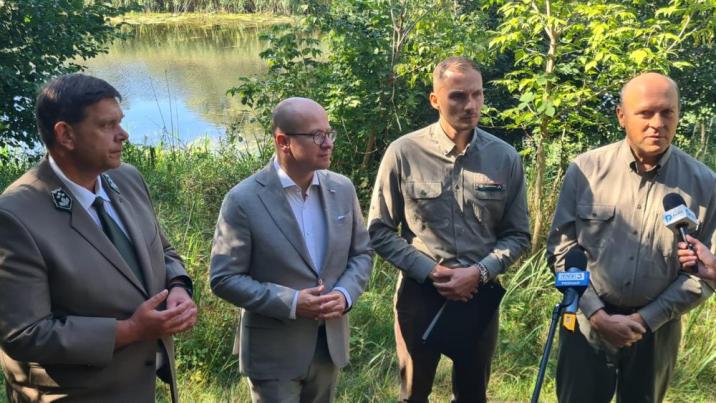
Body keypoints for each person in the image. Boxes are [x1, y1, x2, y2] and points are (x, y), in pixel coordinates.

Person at [0, 73, 197, 403]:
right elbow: (23, 333)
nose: (124, 135)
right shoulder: (16, 215)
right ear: (66, 134)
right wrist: (131, 330)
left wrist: (178, 287)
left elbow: (162, 250)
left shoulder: (128, 178)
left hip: (143, 386)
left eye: (120, 122)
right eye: (107, 126)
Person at [367, 56, 530, 403]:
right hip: (419, 293)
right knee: (413, 393)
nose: (470, 105)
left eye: (477, 95)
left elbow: (518, 235)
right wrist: (431, 271)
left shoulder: (505, 158)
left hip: (479, 294)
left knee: (473, 394)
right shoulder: (404, 153)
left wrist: (480, 272)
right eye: (457, 96)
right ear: (435, 99)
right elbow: (379, 230)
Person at [547, 72, 716, 403]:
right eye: (646, 113)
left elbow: (706, 272)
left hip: (658, 329)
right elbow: (561, 250)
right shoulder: (586, 170)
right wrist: (596, 313)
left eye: (668, 112)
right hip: (586, 323)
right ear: (622, 116)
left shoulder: (705, 184)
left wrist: (645, 320)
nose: (657, 123)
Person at [210, 97, 372, 402]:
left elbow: (361, 254)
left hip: (328, 345)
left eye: (329, 133)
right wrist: (293, 302)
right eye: (316, 136)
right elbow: (224, 278)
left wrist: (345, 294)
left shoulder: (342, 189)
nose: (328, 143)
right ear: (283, 142)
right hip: (273, 353)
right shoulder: (243, 200)